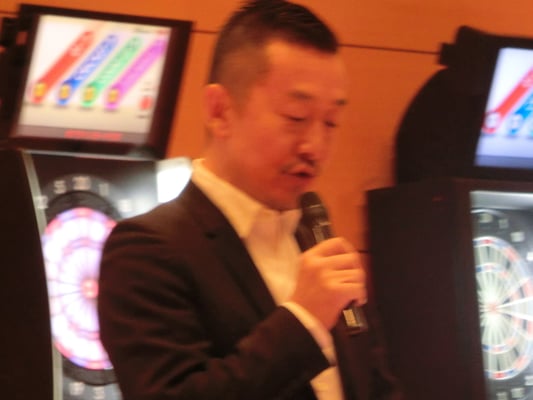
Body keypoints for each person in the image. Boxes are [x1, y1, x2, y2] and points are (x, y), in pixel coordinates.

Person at [98, 1, 403, 399]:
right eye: (296, 117)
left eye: (330, 122)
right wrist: (303, 320)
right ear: (220, 111)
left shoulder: (315, 233)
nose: (315, 146)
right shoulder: (147, 250)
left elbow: (377, 386)